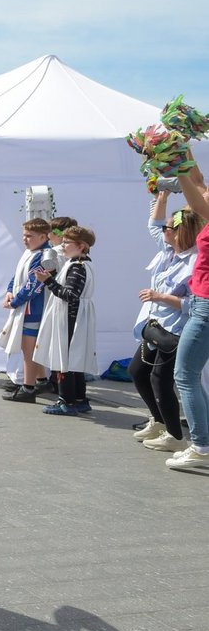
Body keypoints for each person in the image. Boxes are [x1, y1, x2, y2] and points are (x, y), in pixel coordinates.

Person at [130, 194, 201, 452]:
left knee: (161, 380)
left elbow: (194, 304)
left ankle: (175, 435)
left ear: (180, 232)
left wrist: (160, 297)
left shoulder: (195, 262)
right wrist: (162, 195)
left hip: (175, 330)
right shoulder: (169, 250)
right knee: (137, 372)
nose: (163, 231)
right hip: (154, 324)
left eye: (168, 228)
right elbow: (153, 224)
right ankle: (158, 420)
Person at [166, 169, 209, 470]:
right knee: (190, 375)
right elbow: (197, 182)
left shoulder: (205, 212)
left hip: (205, 304)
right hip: (200, 302)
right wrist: (181, 147)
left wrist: (177, 165)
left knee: (185, 375)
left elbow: (195, 192)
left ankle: (201, 447)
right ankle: (203, 442)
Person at [34, 226, 97, 416]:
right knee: (75, 359)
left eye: (67, 242)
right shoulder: (81, 264)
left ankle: (66, 401)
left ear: (81, 246)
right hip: (77, 316)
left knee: (64, 359)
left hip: (70, 318)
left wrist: (48, 282)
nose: (63, 245)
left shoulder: (78, 266)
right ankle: (79, 399)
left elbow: (70, 295)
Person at [0, 219, 54, 403]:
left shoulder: (45, 255)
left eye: (29, 236)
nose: (25, 239)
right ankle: (42, 380)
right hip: (24, 306)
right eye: (24, 235)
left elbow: (34, 285)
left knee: (28, 350)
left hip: (34, 309)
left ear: (43, 237)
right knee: (27, 348)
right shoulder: (30, 252)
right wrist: (9, 291)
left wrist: (16, 302)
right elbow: (17, 276)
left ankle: (28, 388)